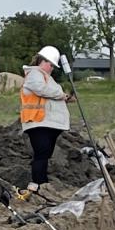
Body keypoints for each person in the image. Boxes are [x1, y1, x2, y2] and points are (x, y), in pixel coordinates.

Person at [17, 44, 69, 193]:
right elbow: (42, 90)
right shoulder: (34, 74)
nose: (52, 68)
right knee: (41, 153)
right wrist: (61, 95)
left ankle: (42, 184)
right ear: (44, 61)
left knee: (45, 154)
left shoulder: (47, 78)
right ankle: (38, 184)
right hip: (37, 122)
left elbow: (51, 95)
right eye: (51, 65)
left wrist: (65, 98)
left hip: (47, 123)